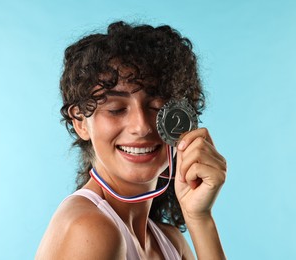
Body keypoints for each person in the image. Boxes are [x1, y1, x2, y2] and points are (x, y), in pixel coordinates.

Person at [36, 21, 227, 259]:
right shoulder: (89, 228)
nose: (142, 126)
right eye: (116, 109)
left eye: (157, 106)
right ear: (81, 123)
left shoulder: (169, 241)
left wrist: (200, 218)